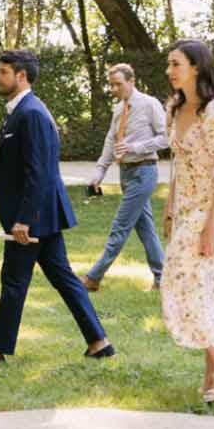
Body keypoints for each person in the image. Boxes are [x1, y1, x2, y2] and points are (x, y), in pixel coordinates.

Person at [0, 50, 114, 364]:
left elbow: (39, 171)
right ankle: (99, 342)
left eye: (3, 72)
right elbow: (21, 171)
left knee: (14, 280)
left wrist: (23, 219)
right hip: (37, 214)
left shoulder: (31, 113)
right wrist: (8, 208)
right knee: (62, 277)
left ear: (21, 76)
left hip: (34, 218)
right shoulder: (20, 110)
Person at [158, 42, 214, 402]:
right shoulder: (176, 108)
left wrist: (212, 224)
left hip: (213, 209)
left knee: (181, 280)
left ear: (197, 67)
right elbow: (177, 165)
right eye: (169, 64)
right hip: (185, 208)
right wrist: (169, 206)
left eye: (176, 64)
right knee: (204, 285)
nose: (169, 70)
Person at [82, 62, 167, 293]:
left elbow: (166, 137)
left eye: (118, 84)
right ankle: (163, 277)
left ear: (131, 81)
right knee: (145, 228)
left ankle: (93, 277)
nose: (114, 89)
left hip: (144, 171)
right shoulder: (119, 109)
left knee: (120, 226)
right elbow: (111, 141)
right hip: (126, 174)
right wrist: (99, 173)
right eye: (112, 85)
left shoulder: (150, 104)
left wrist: (136, 146)